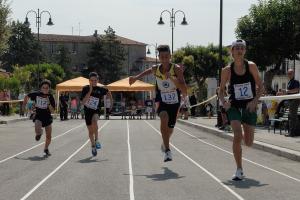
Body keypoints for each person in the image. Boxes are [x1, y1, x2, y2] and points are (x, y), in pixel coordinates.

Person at [129, 44, 187, 162]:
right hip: (161, 98)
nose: (165, 59)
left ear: (170, 56)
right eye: (162, 57)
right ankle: (167, 151)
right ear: (159, 57)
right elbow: (148, 71)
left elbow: (184, 88)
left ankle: (164, 143)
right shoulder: (156, 69)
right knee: (163, 117)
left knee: (170, 129)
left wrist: (171, 78)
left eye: (167, 57)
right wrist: (136, 77)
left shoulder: (176, 69)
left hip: (174, 100)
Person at [219, 39, 264, 181]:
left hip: (249, 106)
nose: (239, 50)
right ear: (231, 51)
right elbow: (220, 91)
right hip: (234, 106)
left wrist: (255, 101)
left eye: (241, 48)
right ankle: (239, 169)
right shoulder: (226, 70)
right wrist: (224, 102)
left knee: (249, 142)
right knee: (237, 135)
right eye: (236, 48)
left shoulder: (251, 66)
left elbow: (261, 87)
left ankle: (244, 132)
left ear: (244, 51)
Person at [80, 72, 112, 156]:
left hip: (96, 110)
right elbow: (83, 102)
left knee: (94, 121)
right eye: (92, 80)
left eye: (95, 80)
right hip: (87, 111)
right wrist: (90, 92)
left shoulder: (100, 89)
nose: (93, 82)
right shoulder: (85, 88)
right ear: (89, 81)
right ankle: (93, 145)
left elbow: (109, 92)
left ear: (98, 80)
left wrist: (111, 103)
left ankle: (97, 139)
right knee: (90, 132)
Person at [23, 79, 56, 156]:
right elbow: (26, 96)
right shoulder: (36, 94)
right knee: (37, 130)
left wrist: (48, 103)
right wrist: (24, 106)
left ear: (49, 88)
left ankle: (46, 148)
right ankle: (39, 133)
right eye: (43, 87)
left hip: (47, 117)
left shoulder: (51, 97)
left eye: (47, 88)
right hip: (39, 116)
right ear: (41, 88)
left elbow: (53, 111)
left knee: (49, 136)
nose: (45, 89)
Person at [284, 69, 300, 137]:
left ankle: (292, 132)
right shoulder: (289, 82)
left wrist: (287, 91)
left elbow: (297, 90)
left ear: (293, 74)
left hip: (295, 100)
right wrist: (283, 93)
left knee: (292, 117)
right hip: (291, 101)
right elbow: (289, 91)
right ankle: (295, 132)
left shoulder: (295, 81)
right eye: (288, 73)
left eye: (290, 73)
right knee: (292, 116)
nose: (289, 75)